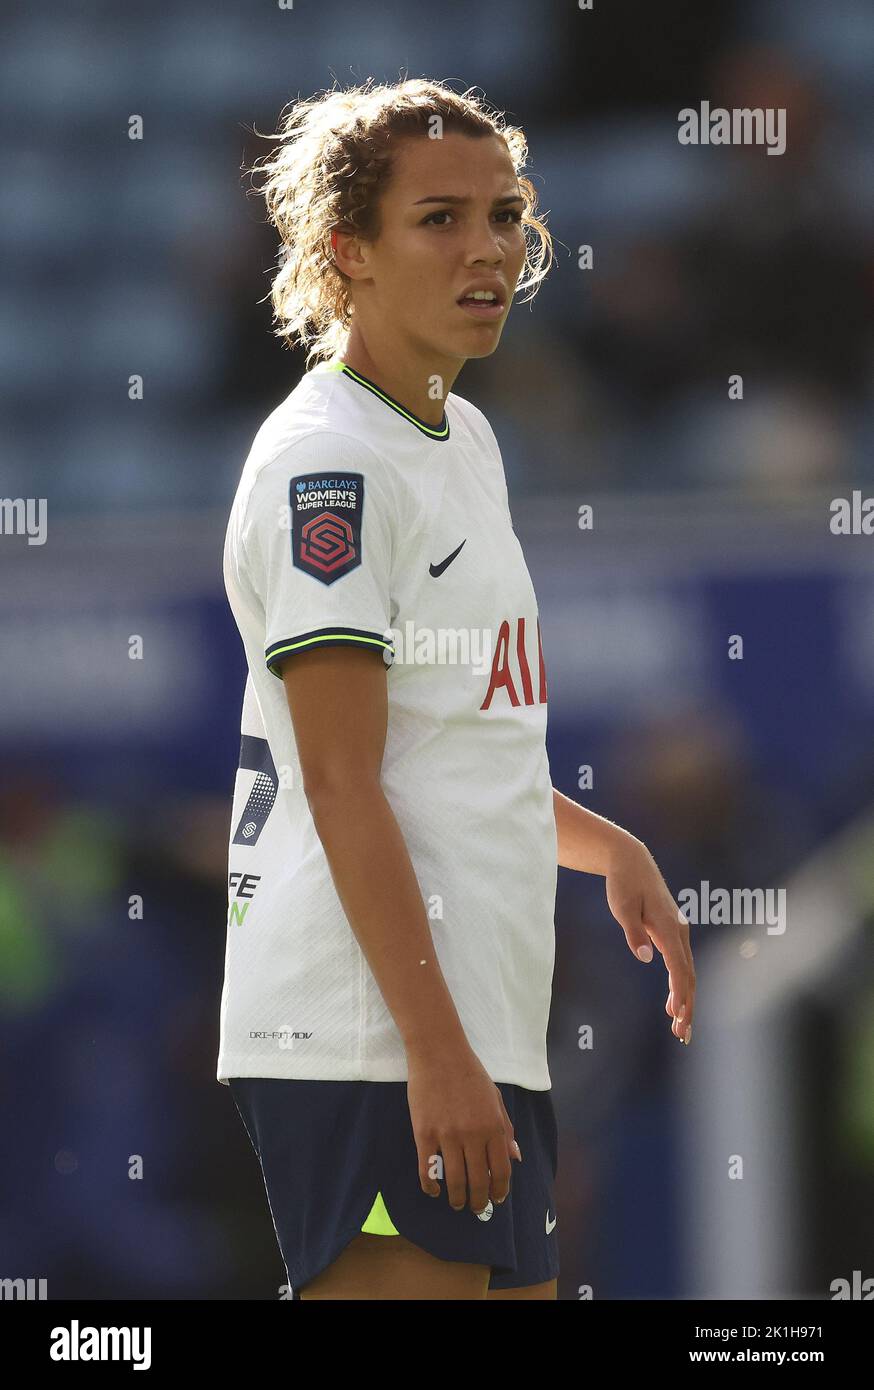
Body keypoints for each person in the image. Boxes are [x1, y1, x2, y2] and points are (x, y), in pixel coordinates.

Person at [217, 77, 695, 1301]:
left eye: (506, 214)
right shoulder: (334, 462)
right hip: (369, 1039)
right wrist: (432, 1054)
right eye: (439, 218)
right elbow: (337, 774)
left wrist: (601, 844)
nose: (487, 248)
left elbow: (446, 747)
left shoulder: (461, 440)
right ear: (346, 253)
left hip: (472, 1030)